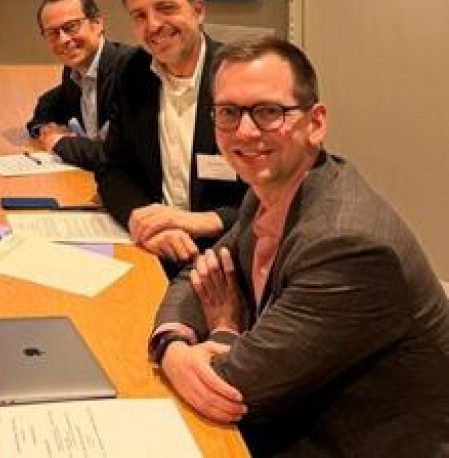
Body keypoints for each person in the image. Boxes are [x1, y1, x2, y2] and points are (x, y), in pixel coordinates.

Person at [149, 37, 449, 456]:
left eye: (269, 111)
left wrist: (222, 330)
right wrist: (172, 341)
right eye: (229, 112)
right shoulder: (267, 190)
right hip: (289, 412)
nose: (245, 131)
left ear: (316, 123)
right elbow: (196, 275)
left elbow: (236, 387)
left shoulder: (349, 246)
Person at [96, 0, 245, 274]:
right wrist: (144, 221)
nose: (152, 26)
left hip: (230, 253)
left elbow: (281, 189)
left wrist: (201, 221)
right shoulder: (131, 72)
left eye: (165, 8)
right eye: (139, 16)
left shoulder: (240, 76)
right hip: (154, 251)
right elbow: (115, 170)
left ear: (198, 10)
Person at [26, 0, 134, 171]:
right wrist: (44, 128)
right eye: (52, 33)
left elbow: (118, 157)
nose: (63, 39)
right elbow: (48, 103)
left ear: (97, 23)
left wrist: (59, 142)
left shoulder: (130, 71)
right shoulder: (74, 70)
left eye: (71, 27)